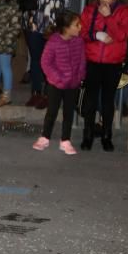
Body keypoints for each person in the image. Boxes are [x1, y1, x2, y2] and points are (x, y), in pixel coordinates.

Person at [79, 0, 128, 151]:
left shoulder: (125, 12)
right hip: (93, 60)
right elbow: (82, 32)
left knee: (108, 100)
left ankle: (106, 134)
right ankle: (87, 134)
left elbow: (121, 35)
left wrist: (109, 17)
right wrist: (96, 36)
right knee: (90, 99)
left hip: (113, 62)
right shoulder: (89, 9)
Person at [20, 0, 73, 109]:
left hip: (52, 23)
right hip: (34, 21)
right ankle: (36, 93)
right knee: (36, 59)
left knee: (51, 60)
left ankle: (50, 94)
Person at [33, 10, 86, 155]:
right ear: (66, 28)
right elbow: (45, 62)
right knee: (52, 111)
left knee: (69, 112)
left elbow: (82, 61)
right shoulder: (53, 42)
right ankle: (45, 136)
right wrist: (57, 79)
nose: (80, 27)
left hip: (72, 84)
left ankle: (65, 140)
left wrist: (80, 76)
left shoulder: (79, 41)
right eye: (77, 25)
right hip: (56, 84)